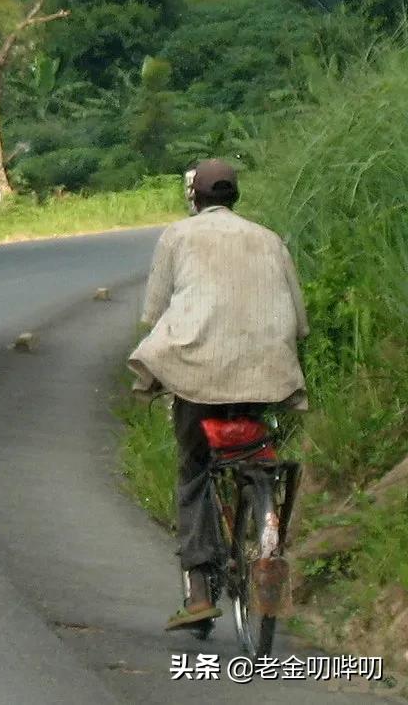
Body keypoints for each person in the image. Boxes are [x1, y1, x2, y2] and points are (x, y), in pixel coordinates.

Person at [127, 159, 309, 632]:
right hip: (265, 375)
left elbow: (154, 313)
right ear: (235, 197)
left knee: (193, 470)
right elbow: (300, 324)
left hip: (197, 375)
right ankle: (260, 512)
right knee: (250, 448)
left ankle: (199, 592)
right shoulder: (269, 239)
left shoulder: (177, 236)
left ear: (196, 198)